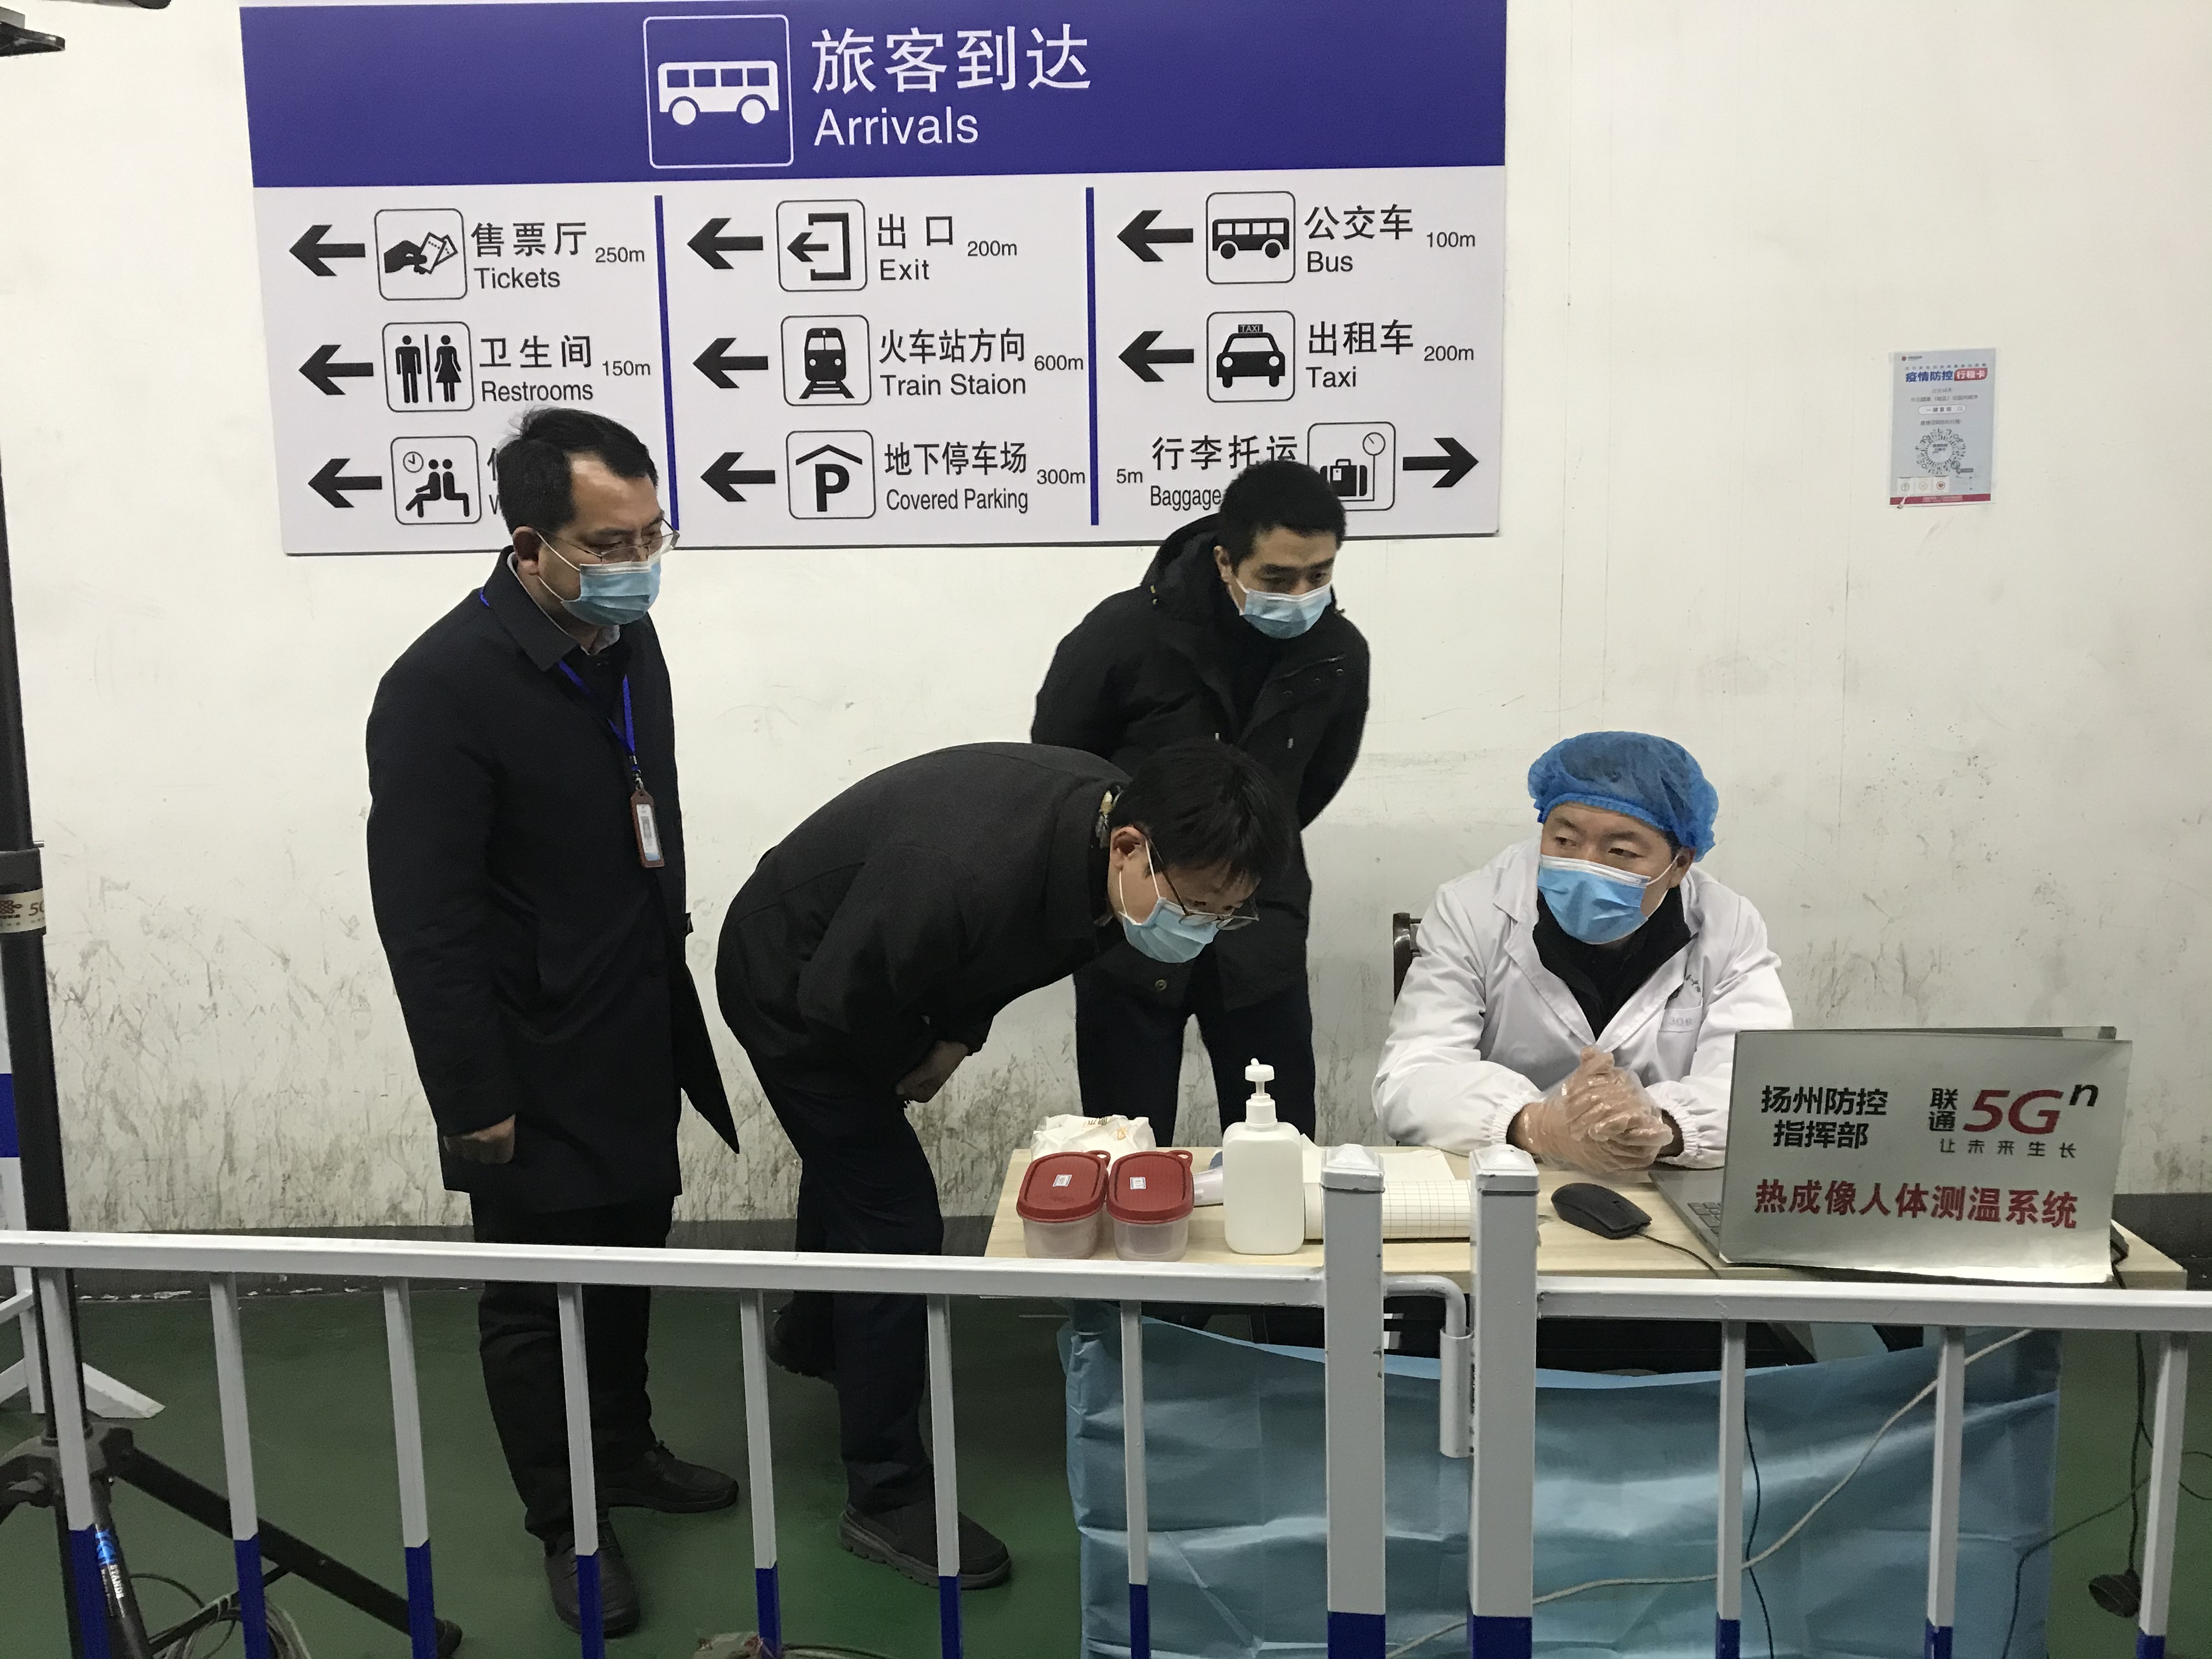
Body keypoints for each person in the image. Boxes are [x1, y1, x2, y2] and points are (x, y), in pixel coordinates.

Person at [716, 739, 1293, 1588]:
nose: (1201, 929)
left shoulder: (1105, 841)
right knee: (894, 1216)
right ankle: (883, 1493)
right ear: (1130, 848)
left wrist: (956, 1036)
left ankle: (817, 1333)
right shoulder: (961, 871)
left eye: (1225, 914)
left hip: (870, 964)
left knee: (859, 1173)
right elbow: (840, 1004)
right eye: (1196, 906)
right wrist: (900, 1068)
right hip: (793, 984)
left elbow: (1003, 954)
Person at [366, 408, 741, 1638]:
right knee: (536, 1300)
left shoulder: (626, 643)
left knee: (632, 1253)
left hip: (632, 1017)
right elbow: (426, 920)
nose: (639, 564)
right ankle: (568, 1526)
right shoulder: (440, 688)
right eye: (609, 544)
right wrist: (471, 1096)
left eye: (652, 536)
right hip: (525, 1052)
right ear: (530, 544)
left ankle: (623, 1451)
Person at [1031, 458, 1368, 1141]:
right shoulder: (1124, 634)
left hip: (1260, 918)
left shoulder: (1338, 653)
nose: (1301, 595)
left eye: (1319, 575)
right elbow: (1060, 764)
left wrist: (1240, 853)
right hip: (1133, 919)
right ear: (1224, 561)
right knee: (1126, 1142)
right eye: (1278, 578)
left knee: (1279, 1138)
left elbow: (1315, 781)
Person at [1374, 731, 1790, 1171]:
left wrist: (1660, 1125)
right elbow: (1411, 1078)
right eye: (1564, 842)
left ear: (1680, 864)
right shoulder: (1472, 910)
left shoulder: (1729, 926)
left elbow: (1762, 1086)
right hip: (1509, 1175)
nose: (1585, 866)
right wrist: (1538, 1125)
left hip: (1657, 1181)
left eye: (1621, 851)